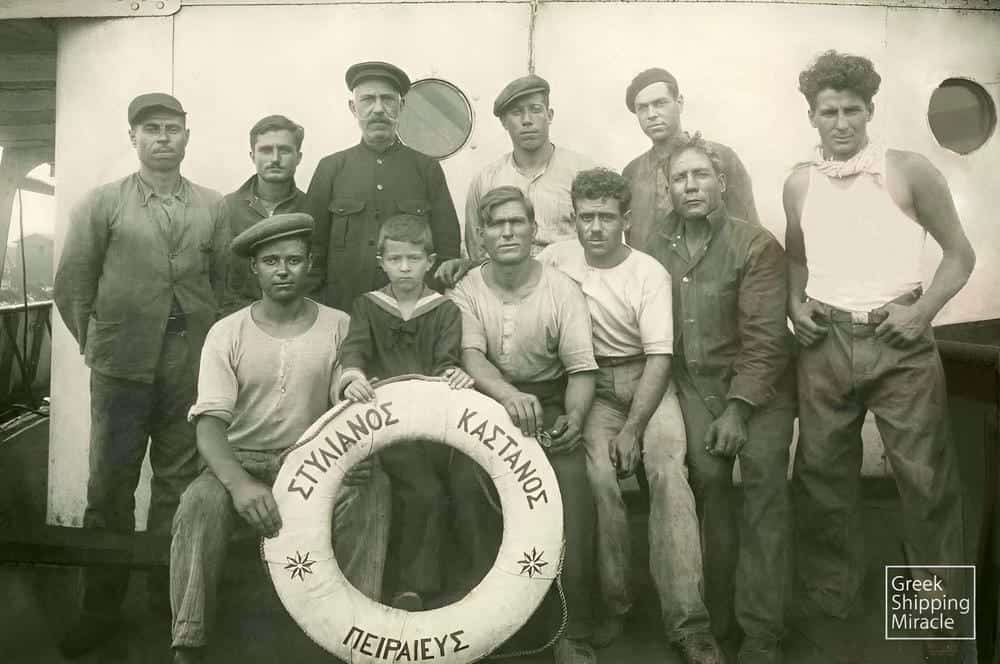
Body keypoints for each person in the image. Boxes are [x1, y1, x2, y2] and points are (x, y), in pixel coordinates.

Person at [785, 51, 975, 656]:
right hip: (826, 345)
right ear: (811, 116)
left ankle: (936, 624)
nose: (840, 123)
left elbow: (959, 256)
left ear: (870, 111)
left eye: (851, 111)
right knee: (821, 477)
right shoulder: (799, 180)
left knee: (924, 481)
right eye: (828, 112)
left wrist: (920, 315)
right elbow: (796, 256)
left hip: (900, 343)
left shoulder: (908, 170)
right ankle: (833, 600)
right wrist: (796, 305)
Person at [169, 213, 390, 664]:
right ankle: (188, 641)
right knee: (199, 502)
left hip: (312, 459)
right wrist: (240, 484)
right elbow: (209, 425)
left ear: (310, 263)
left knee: (373, 490)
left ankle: (354, 638)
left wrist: (357, 455)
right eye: (271, 261)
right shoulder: (226, 332)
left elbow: (352, 404)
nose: (283, 270)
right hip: (241, 459)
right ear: (255, 268)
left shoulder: (339, 325)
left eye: (294, 259)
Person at [53, 92, 228, 658]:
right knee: (109, 487)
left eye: (172, 128)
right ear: (133, 137)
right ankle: (98, 611)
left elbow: (223, 285)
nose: (163, 138)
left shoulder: (213, 205)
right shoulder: (102, 203)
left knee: (176, 484)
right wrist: (100, 344)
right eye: (151, 129)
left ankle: (167, 601)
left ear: (186, 134)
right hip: (121, 364)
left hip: (188, 363)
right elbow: (72, 286)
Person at [538, 168, 711, 659]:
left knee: (667, 473)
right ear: (574, 218)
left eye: (606, 218)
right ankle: (616, 603)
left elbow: (660, 358)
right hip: (589, 384)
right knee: (597, 480)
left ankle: (688, 620)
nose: (595, 228)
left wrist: (634, 428)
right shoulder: (555, 259)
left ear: (626, 220)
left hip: (645, 384)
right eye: (586, 217)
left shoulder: (647, 272)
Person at [646, 134, 796, 664]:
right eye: (681, 178)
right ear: (669, 190)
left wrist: (737, 410)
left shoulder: (755, 245)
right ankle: (717, 619)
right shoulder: (654, 247)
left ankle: (762, 632)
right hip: (692, 386)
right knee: (708, 481)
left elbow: (766, 340)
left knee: (762, 487)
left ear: (722, 184)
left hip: (760, 390)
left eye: (701, 176)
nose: (691, 185)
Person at [449, 186, 599, 664]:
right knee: (466, 483)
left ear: (534, 231)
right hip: (488, 401)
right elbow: (471, 354)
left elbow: (580, 369)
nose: (508, 231)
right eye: (497, 224)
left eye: (517, 222)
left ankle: (572, 627)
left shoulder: (562, 288)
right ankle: (487, 622)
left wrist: (574, 417)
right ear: (481, 234)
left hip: (551, 401)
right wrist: (508, 396)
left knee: (572, 488)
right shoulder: (468, 288)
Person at [337, 213, 474, 611]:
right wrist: (352, 375)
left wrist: (454, 376)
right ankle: (410, 586)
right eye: (395, 259)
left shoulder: (444, 310)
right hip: (382, 426)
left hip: (429, 424)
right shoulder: (367, 306)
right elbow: (354, 350)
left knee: (445, 485)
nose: (404, 268)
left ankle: (443, 584)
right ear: (380, 260)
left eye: (413, 259)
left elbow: (446, 361)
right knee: (423, 491)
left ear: (430, 261)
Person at [305, 61, 461, 312]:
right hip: (344, 310)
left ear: (401, 107)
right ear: (353, 108)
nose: (378, 109)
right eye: (367, 100)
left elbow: (447, 251)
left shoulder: (426, 169)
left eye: (387, 99)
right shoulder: (331, 169)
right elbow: (312, 249)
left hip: (409, 314)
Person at [622, 68, 759, 253]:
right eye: (642, 108)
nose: (651, 114)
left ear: (679, 103)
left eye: (660, 103)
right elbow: (632, 245)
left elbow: (750, 236)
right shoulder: (632, 173)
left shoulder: (721, 157)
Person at [462, 74, 595, 262]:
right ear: (504, 122)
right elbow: (477, 250)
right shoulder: (486, 179)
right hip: (506, 283)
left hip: (569, 280)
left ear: (549, 115)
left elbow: (598, 241)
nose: (527, 120)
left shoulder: (582, 172)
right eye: (516, 113)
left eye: (535, 110)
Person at [220, 114, 308, 315]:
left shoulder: (311, 208)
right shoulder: (225, 208)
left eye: (284, 150)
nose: (275, 159)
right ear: (252, 156)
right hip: (236, 319)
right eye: (266, 150)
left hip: (295, 320)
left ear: (299, 157)